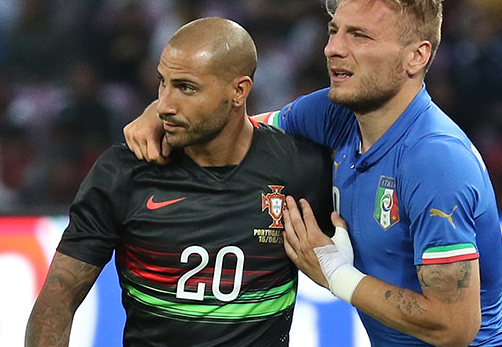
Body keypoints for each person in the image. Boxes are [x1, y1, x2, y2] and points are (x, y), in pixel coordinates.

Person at [123, 0, 502, 346]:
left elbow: (455, 327)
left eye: (359, 35)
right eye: (335, 30)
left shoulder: (434, 158)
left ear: (416, 56)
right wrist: (165, 111)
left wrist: (337, 274)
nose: (332, 48)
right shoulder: (335, 114)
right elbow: (234, 130)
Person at [26, 17, 333, 347]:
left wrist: (335, 270)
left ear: (239, 91)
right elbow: (59, 297)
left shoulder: (301, 169)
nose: (165, 105)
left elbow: (364, 262)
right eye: (163, 83)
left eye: (186, 88)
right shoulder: (125, 172)